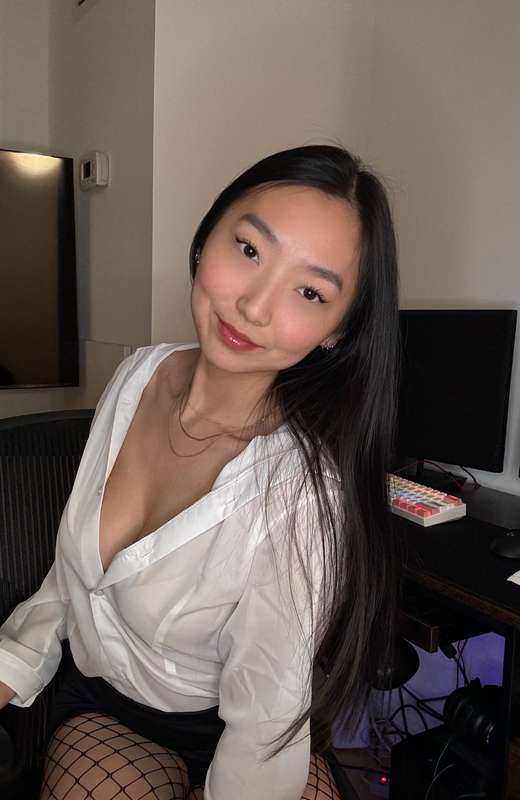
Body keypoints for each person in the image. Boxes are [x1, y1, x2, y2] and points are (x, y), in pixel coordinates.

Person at [0, 144, 400, 800]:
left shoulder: (300, 490)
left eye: (309, 291)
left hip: (253, 733)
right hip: (111, 707)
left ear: (337, 330)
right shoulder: (138, 376)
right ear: (207, 235)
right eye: (249, 249)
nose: (254, 306)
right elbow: (73, 576)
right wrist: (13, 662)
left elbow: (266, 714)